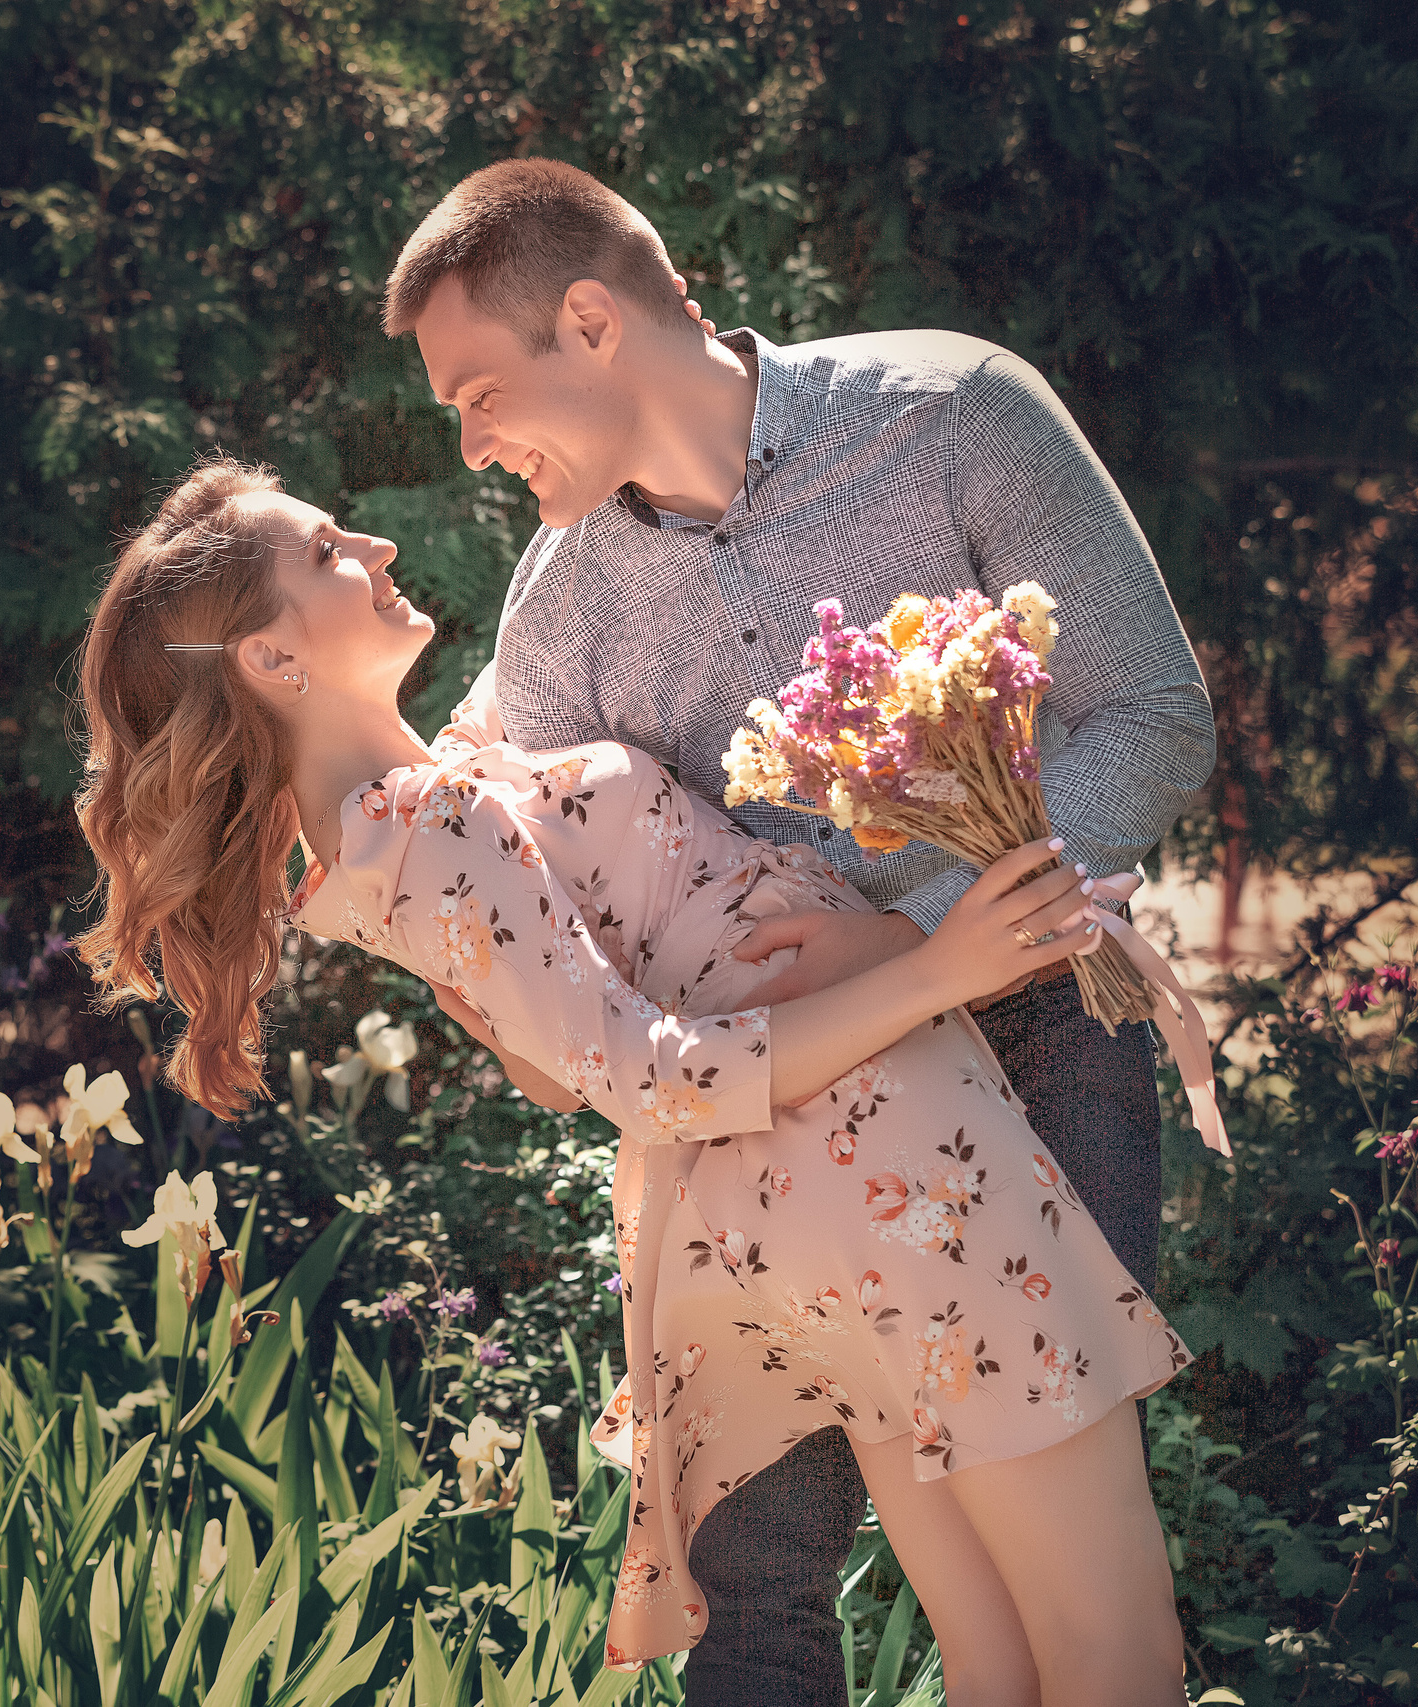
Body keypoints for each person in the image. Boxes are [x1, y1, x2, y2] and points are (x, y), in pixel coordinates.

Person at [72, 455, 1192, 1705]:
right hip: (888, 1165)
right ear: (273, 664)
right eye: (330, 553)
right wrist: (943, 962)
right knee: (1115, 1652)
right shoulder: (430, 834)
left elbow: (562, 1075)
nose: (378, 551)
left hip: (829, 1208)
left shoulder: (396, 823)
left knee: (1003, 1661)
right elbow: (645, 1083)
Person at [375, 158, 1217, 1704]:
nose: (474, 441)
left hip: (1041, 1031)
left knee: (1071, 1609)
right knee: (787, 1600)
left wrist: (923, 935)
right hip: (784, 1126)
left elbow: (1150, 715)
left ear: (590, 317)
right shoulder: (558, 618)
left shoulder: (954, 412)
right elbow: (572, 920)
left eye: (481, 393)